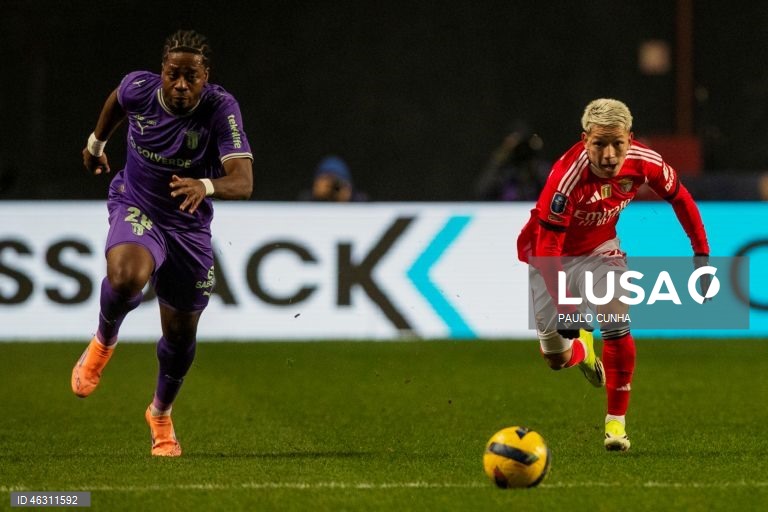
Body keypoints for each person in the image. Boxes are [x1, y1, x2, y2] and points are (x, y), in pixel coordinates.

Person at [71, 29, 253, 457]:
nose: (182, 85)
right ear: (162, 72)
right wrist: (96, 142)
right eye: (174, 74)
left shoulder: (219, 109)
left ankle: (160, 412)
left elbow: (243, 182)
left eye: (192, 76)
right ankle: (103, 341)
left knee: (179, 336)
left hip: (188, 227)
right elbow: (117, 100)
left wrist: (205, 185)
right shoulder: (140, 88)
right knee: (127, 276)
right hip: (137, 204)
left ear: (205, 76)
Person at [516, 98, 710, 451]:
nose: (609, 155)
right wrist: (566, 307)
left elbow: (680, 198)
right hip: (550, 256)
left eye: (617, 144)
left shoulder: (644, 161)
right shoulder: (566, 178)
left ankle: (615, 426)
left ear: (630, 139)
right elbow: (547, 249)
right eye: (599, 144)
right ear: (585, 138)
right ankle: (584, 351)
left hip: (601, 250)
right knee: (556, 360)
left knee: (615, 319)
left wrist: (701, 253)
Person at [474, 121, 550, 201]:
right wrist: (500, 158)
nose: (521, 150)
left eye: (524, 145)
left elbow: (552, 193)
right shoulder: (504, 171)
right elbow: (482, 192)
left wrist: (534, 159)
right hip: (507, 211)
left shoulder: (539, 169)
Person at [298, 155, 368, 202]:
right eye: (326, 180)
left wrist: (349, 198)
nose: (332, 187)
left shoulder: (359, 201)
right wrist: (316, 197)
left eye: (337, 183)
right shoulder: (306, 201)